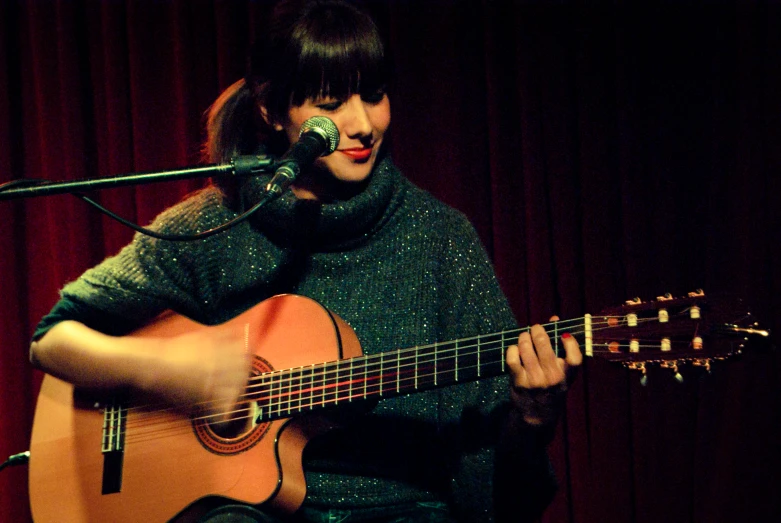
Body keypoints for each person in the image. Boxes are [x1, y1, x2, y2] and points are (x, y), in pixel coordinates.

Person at [29, 0, 581, 522]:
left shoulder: (440, 239)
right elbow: (52, 341)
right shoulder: (217, 225)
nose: (363, 124)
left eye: (374, 93)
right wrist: (179, 374)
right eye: (331, 103)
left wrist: (532, 419)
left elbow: (502, 478)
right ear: (272, 110)